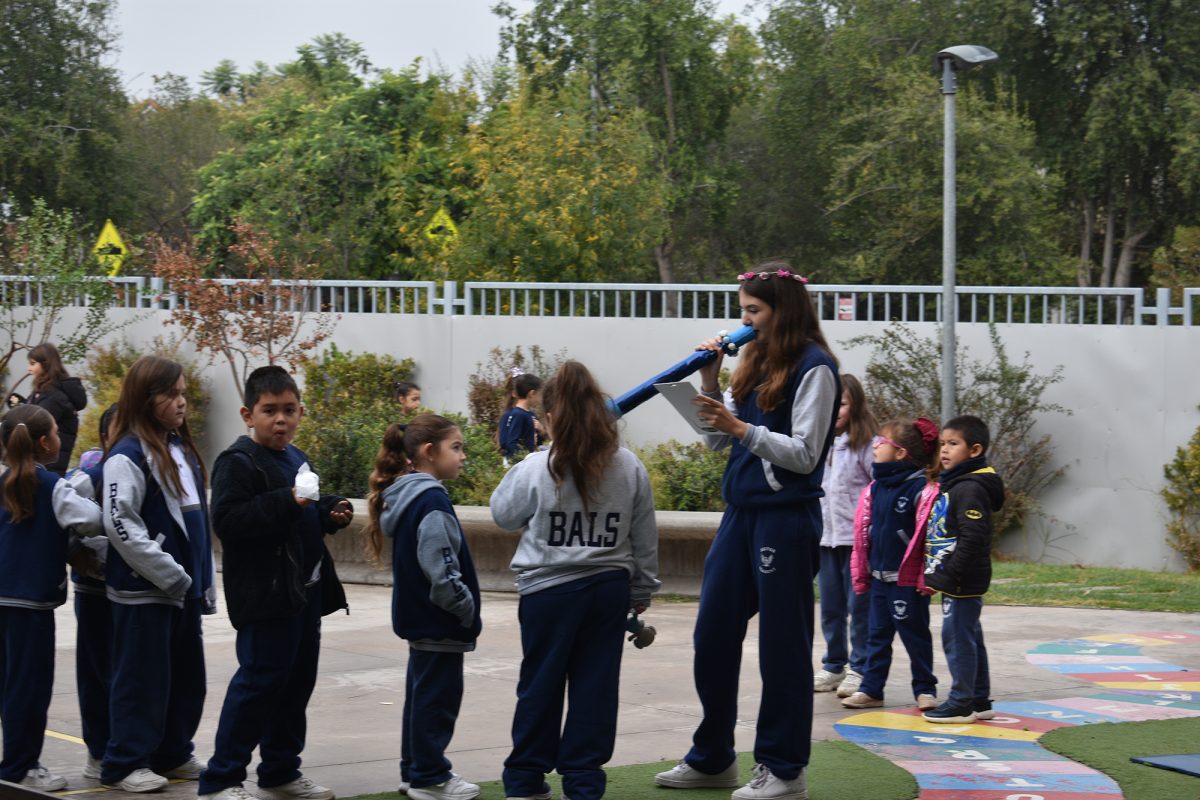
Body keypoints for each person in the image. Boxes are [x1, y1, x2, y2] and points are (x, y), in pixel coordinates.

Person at [655, 263, 840, 800]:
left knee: (782, 646)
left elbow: (805, 455)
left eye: (753, 311)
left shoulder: (816, 367)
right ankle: (713, 758)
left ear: (783, 311)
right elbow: (722, 442)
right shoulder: (756, 361)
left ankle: (784, 769)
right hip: (740, 515)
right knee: (712, 635)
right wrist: (710, 384)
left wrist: (740, 426)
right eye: (742, 311)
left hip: (785, 516)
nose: (744, 322)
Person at [490, 361, 660, 800]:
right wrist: (642, 589)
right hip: (607, 590)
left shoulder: (537, 467)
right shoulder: (628, 466)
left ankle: (525, 779)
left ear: (549, 419)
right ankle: (583, 782)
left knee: (540, 684)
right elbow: (644, 537)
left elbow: (503, 514)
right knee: (595, 689)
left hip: (547, 593)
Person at [199, 366, 354, 800]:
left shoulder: (297, 457)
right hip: (266, 598)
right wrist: (288, 500)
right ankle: (221, 779)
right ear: (248, 415)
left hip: (303, 595)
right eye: (270, 411)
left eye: (289, 409)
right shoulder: (237, 462)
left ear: (300, 411)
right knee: (258, 685)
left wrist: (330, 510)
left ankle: (281, 771)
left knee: (295, 686)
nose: (281, 419)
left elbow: (305, 510)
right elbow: (228, 520)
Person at [100, 355, 215, 793]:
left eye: (183, 393)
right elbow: (120, 523)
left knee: (185, 677)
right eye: (171, 394)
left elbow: (196, 521)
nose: (181, 402)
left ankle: (173, 752)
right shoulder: (127, 455)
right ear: (146, 399)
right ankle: (125, 762)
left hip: (183, 590)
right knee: (141, 679)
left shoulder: (179, 449)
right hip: (145, 590)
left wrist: (202, 581)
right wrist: (168, 572)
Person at [366, 414, 482, 800]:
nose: (463, 456)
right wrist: (466, 611)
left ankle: (415, 770)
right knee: (437, 702)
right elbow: (442, 573)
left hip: (421, 622)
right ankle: (429, 777)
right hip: (439, 624)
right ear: (429, 452)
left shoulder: (411, 496)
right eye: (456, 447)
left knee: (422, 697)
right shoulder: (431, 500)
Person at [0, 404, 103, 791]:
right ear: (45, 443)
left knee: (9, 685)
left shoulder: (3, 482)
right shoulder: (54, 486)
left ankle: (17, 761)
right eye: (57, 432)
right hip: (32, 606)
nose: (61, 438)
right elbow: (91, 519)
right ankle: (20, 768)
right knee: (30, 688)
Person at [840, 418, 940, 712]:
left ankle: (925, 688)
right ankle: (871, 689)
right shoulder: (875, 488)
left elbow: (930, 538)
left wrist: (926, 576)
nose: (874, 447)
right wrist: (864, 571)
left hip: (906, 581)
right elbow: (864, 532)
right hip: (879, 578)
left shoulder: (921, 489)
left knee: (915, 636)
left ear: (900, 453)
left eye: (881, 442)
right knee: (877, 636)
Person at [921, 415, 1005, 724]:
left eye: (953, 444)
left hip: (961, 578)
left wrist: (950, 573)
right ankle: (979, 700)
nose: (944, 450)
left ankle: (961, 702)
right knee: (969, 636)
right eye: (942, 444)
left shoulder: (969, 488)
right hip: (957, 577)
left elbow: (972, 538)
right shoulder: (958, 483)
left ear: (975, 450)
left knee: (957, 638)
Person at [814, 374, 876, 698]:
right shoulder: (819, 443)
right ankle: (834, 664)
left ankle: (860, 667)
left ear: (855, 406)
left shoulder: (867, 445)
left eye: (842, 403)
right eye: (830, 403)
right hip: (827, 540)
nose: (835, 410)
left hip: (857, 544)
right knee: (831, 607)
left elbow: (879, 488)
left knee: (859, 608)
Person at [71, 402, 119, 781]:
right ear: (104, 437)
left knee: (128, 672)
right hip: (94, 591)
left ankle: (129, 745)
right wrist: (80, 552)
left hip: (132, 589)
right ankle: (99, 751)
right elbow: (65, 523)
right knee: (96, 670)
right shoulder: (89, 473)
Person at [27, 342, 87, 475]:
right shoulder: (43, 392)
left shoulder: (54, 397)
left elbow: (34, 427)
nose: (28, 369)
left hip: (47, 465)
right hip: (45, 463)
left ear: (46, 364)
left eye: (32, 364)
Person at [498, 371, 543, 460]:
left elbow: (537, 442)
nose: (540, 399)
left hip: (529, 459)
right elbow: (511, 442)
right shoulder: (518, 414)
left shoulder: (531, 415)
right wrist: (522, 459)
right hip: (521, 462)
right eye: (539, 395)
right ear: (532, 394)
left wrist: (541, 431)